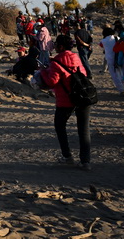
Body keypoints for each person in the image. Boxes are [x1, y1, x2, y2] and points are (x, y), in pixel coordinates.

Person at [40, 35, 92, 170]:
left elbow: (52, 82)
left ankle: (67, 156)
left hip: (66, 99)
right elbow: (84, 73)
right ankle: (85, 161)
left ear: (61, 47)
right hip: (83, 97)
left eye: (56, 44)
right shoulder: (76, 57)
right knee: (84, 130)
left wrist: (43, 72)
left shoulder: (56, 62)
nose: (55, 46)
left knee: (60, 126)